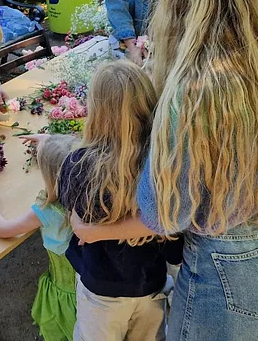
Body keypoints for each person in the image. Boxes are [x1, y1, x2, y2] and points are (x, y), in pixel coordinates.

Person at [72, 0, 258, 341]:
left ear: (178, 6)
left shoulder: (192, 92)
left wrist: (95, 230)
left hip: (226, 275)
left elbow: (161, 213)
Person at [58, 61, 182, 341]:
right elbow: (175, 240)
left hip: (101, 293)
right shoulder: (163, 165)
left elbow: (72, 212)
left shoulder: (79, 166)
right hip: (151, 285)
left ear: (97, 111)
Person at [0, 136, 77, 340]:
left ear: (48, 176)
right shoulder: (88, 198)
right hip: (88, 283)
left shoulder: (48, 211)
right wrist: (48, 141)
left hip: (67, 290)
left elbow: (4, 229)